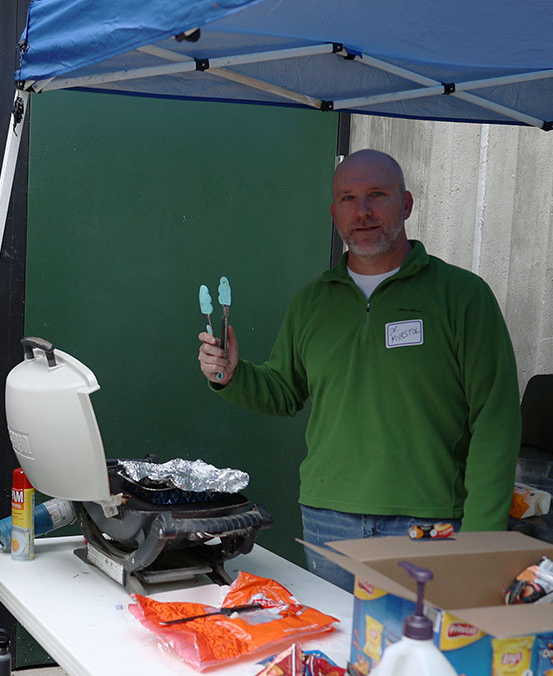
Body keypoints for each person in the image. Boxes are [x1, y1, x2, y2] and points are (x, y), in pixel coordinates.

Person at [197, 149, 520, 592]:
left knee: (420, 654)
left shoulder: (463, 297)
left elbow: (495, 420)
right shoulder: (313, 302)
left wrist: (482, 539)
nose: (362, 211)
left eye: (376, 195)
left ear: (405, 204)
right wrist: (231, 375)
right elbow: (283, 391)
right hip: (329, 520)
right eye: (348, 198)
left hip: (428, 524)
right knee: (338, 652)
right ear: (334, 213)